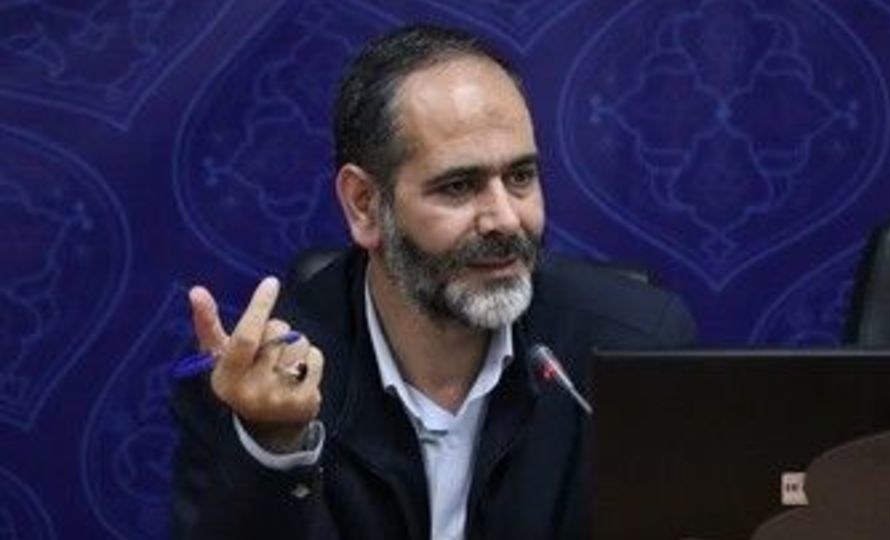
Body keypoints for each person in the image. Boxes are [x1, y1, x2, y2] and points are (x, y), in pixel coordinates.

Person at [172, 24, 696, 540]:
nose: (505, 219)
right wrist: (273, 450)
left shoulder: (633, 348)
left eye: (520, 177)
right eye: (459, 186)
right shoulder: (260, 386)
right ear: (364, 205)